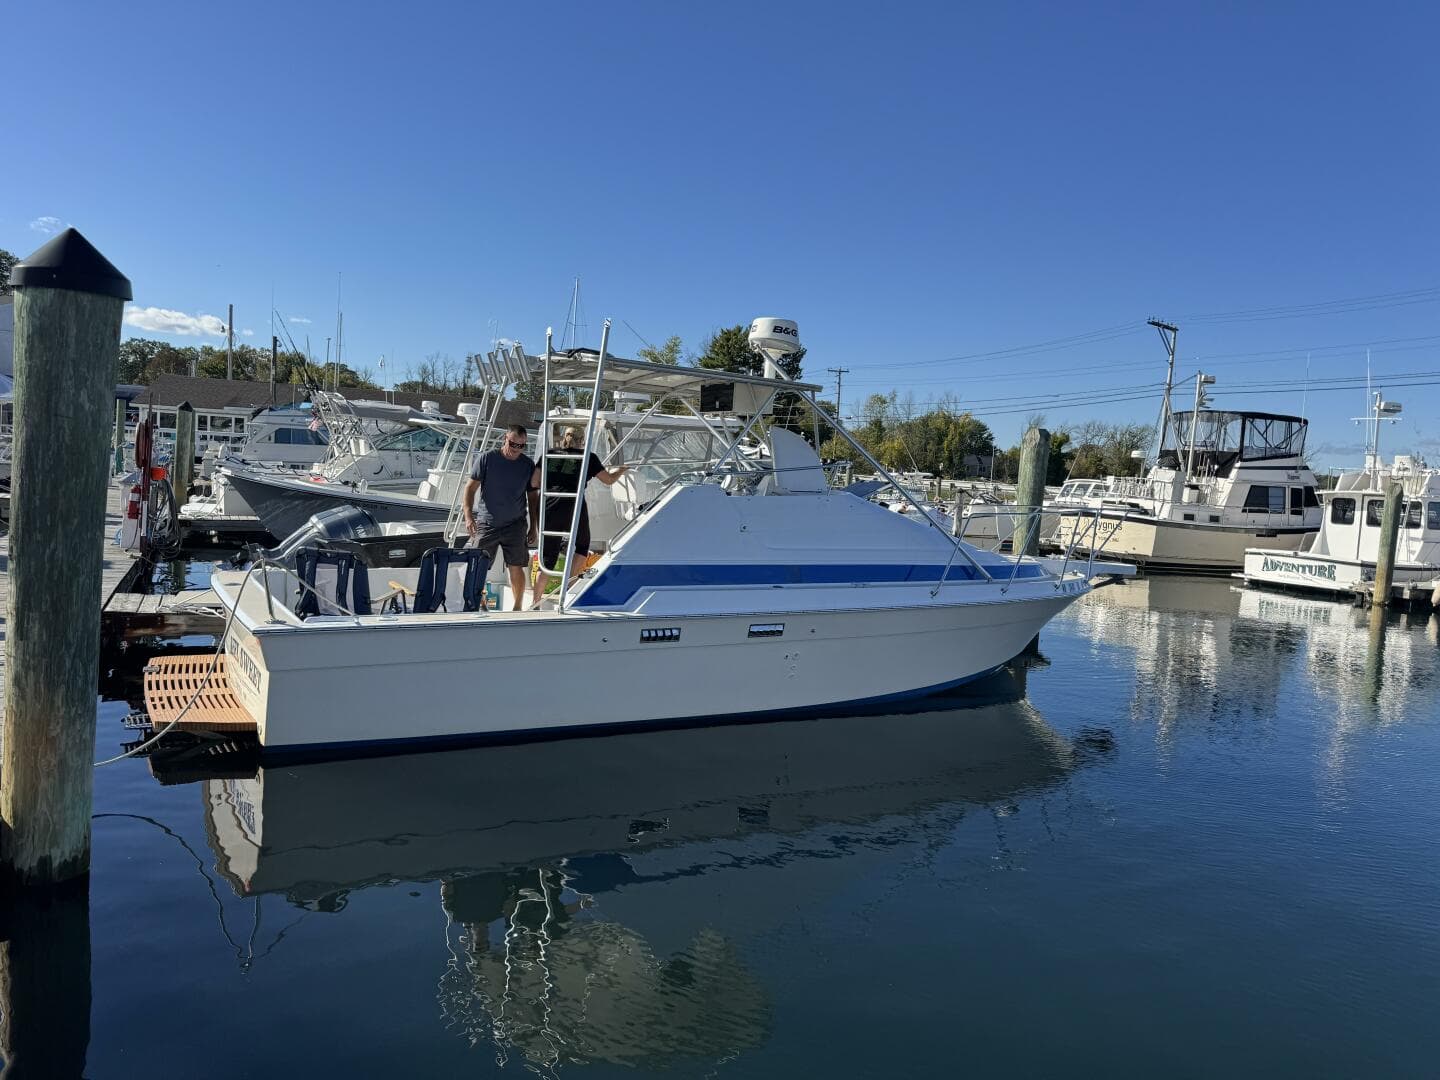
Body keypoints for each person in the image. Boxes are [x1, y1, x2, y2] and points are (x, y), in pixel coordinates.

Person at [531, 425, 629, 606]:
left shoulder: (549, 454)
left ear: (564, 438)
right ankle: (568, 588)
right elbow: (608, 480)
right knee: (583, 545)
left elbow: (534, 482)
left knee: (547, 557)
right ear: (583, 441)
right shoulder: (588, 457)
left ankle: (535, 601)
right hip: (573, 505)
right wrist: (621, 470)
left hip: (549, 506)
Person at [461, 424, 539, 610]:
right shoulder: (488, 459)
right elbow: (470, 489)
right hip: (487, 523)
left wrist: (533, 526)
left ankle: (517, 607)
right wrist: (468, 517)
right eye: (513, 444)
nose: (516, 449)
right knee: (479, 566)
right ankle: (478, 605)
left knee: (516, 566)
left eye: (521, 446)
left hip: (516, 524)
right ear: (505, 438)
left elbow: (533, 497)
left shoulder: (527, 465)